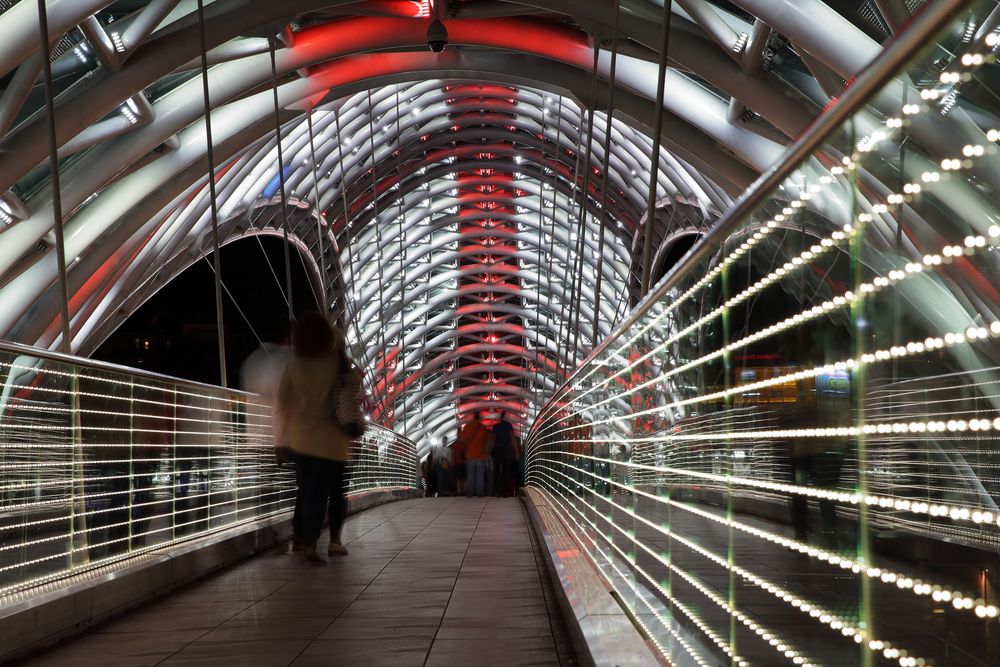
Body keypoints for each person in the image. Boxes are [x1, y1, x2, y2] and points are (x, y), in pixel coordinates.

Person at [276, 312, 357, 563]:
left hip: (301, 441)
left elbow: (282, 406)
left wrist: (280, 441)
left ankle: (306, 541)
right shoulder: (337, 365)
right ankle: (332, 542)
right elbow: (354, 392)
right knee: (335, 493)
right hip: (333, 443)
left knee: (309, 492)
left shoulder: (294, 366)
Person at [460, 413, 491, 497]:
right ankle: (480, 492)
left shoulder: (468, 426)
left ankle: (470, 492)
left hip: (470, 455)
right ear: (479, 418)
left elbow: (462, 439)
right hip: (481, 455)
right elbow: (487, 442)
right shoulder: (483, 428)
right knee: (480, 475)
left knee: (470, 475)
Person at [491, 411, 517, 497]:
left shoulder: (496, 426)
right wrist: (516, 451)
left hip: (497, 450)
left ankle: (497, 492)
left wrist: (489, 450)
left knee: (497, 471)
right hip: (506, 451)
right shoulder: (508, 426)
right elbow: (512, 438)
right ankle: (505, 492)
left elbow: (493, 439)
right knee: (506, 471)